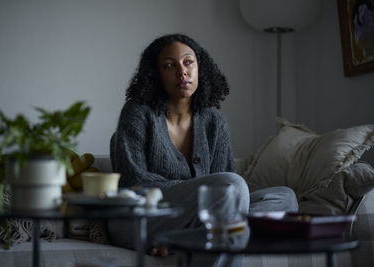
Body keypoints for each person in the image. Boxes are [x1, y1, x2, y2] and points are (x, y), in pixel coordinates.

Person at [108, 33, 298, 266]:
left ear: (200, 68)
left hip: (201, 219)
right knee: (231, 189)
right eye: (169, 65)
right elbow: (134, 182)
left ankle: (180, 240)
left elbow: (227, 188)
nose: (182, 71)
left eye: (189, 62)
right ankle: (216, 234)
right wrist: (201, 195)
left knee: (285, 199)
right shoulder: (138, 113)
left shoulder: (214, 121)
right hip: (143, 218)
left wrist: (211, 199)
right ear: (155, 75)